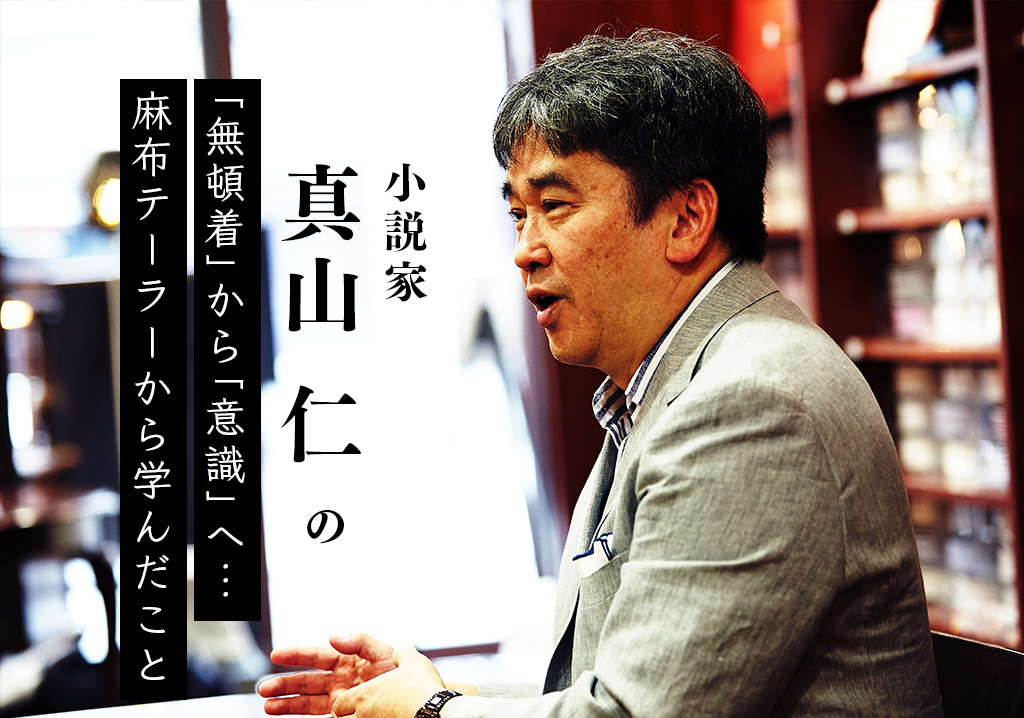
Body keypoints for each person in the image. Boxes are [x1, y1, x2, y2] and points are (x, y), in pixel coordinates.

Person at [258, 29, 943, 717]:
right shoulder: (670, 383)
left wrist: (430, 711)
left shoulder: (753, 400)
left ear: (687, 218)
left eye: (554, 207)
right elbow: (616, 686)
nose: (525, 250)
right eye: (517, 215)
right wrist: (446, 693)